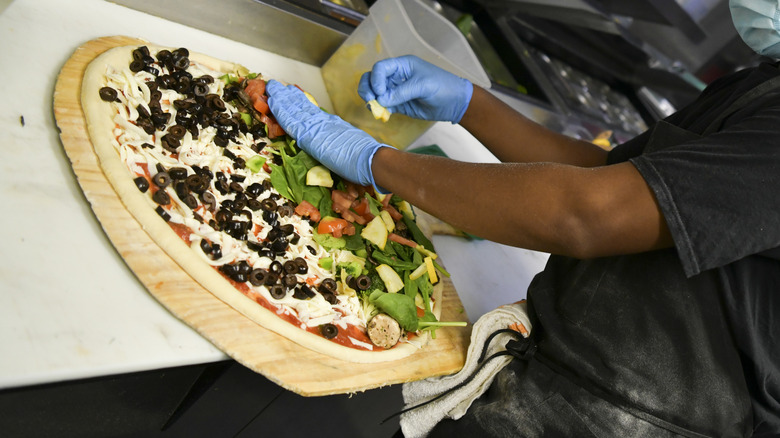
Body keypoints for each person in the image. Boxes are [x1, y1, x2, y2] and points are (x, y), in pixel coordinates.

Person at [266, 0, 780, 435]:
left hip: (610, 419)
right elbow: (615, 175)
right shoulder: (762, 84)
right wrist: (469, 104)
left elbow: (588, 213)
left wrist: (377, 162)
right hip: (558, 375)